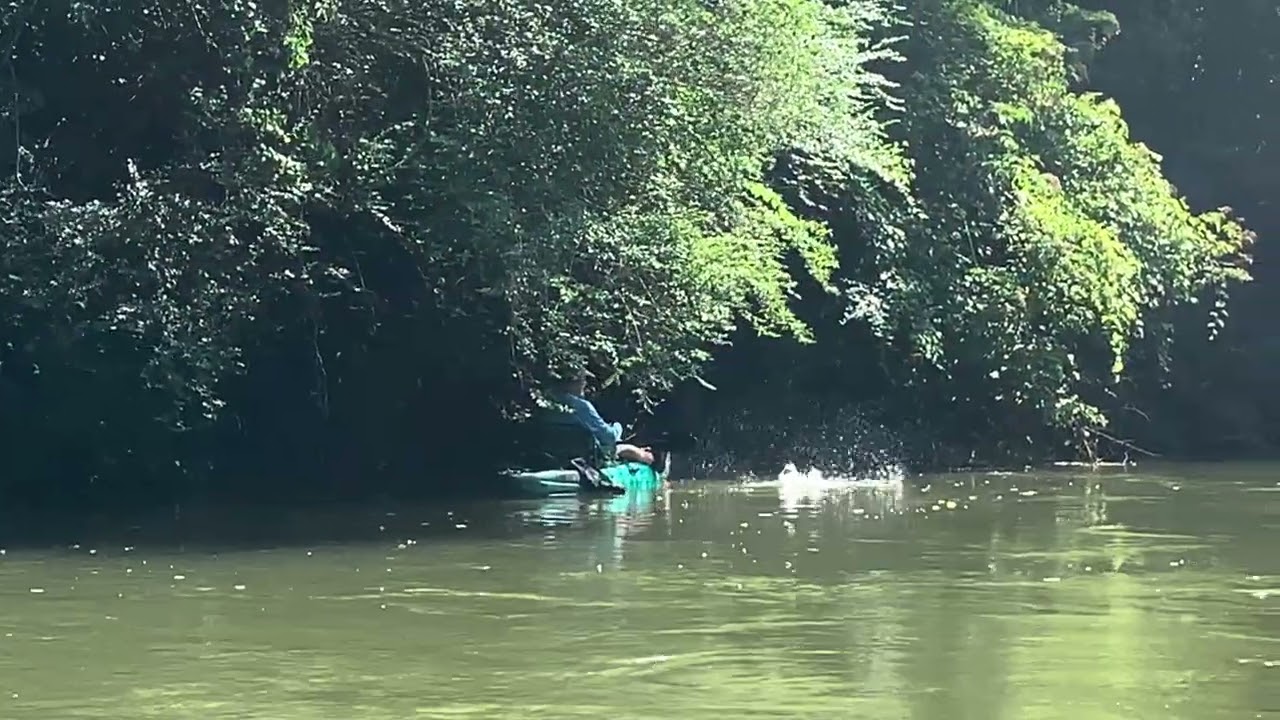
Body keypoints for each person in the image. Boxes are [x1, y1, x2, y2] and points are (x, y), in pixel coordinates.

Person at [546, 369, 655, 465]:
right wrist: (617, 428)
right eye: (583, 380)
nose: (584, 384)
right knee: (630, 450)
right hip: (585, 457)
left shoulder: (544, 401)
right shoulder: (582, 407)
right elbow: (609, 438)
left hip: (549, 451)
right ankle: (646, 457)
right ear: (573, 382)